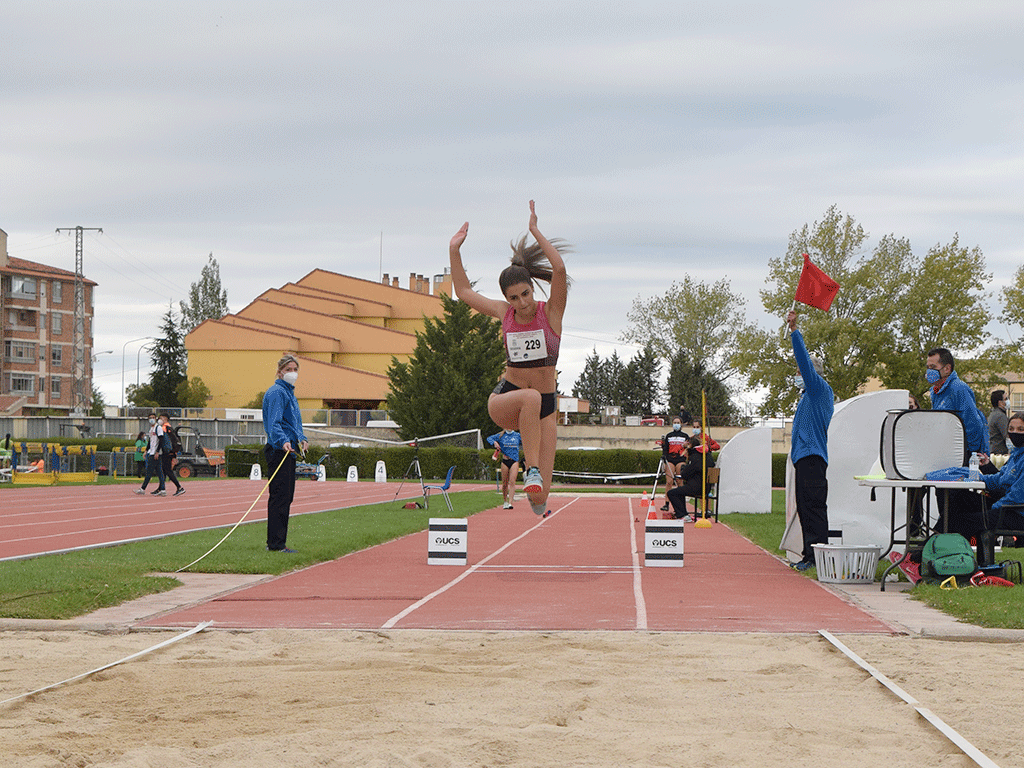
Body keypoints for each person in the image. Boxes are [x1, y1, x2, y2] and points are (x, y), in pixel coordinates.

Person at [449, 200, 570, 517]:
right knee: (529, 397)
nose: (522, 303)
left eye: (525, 294)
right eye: (514, 298)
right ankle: (531, 470)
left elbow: (559, 270)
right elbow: (463, 291)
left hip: (545, 406)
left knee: (540, 502)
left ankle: (536, 487)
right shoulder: (505, 314)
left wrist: (535, 230)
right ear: (507, 299)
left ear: (532, 289)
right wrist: (454, 250)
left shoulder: (551, 313)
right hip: (507, 398)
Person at [786, 310, 834, 571]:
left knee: (814, 507)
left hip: (813, 458)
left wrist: (795, 332)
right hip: (804, 459)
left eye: (799, 371)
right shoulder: (807, 396)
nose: (797, 374)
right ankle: (808, 555)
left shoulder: (818, 390)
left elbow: (804, 361)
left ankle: (818, 557)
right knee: (805, 508)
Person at [926, 347, 989, 541]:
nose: (929, 371)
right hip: (944, 455)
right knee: (942, 498)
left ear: (946, 368)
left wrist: (969, 455)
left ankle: (949, 540)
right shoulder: (935, 392)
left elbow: (973, 424)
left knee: (954, 503)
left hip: (961, 456)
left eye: (933, 367)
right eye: (927, 367)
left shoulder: (958, 389)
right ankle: (943, 541)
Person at [262, 354, 308, 553]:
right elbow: (274, 423)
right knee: (280, 497)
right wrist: (283, 441)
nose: (292, 373)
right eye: (288, 369)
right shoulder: (277, 393)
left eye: (295, 369)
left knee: (286, 497)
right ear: (280, 372)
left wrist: (302, 438)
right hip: (279, 450)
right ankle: (276, 544)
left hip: (289, 450)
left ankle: (277, 541)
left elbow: (294, 422)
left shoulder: (290, 394)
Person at [666, 436, 717, 520]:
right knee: (680, 491)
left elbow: (686, 474)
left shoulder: (694, 456)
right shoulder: (708, 455)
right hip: (707, 487)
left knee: (672, 493)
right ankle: (684, 514)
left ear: (690, 445)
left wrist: (683, 468)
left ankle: (682, 515)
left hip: (696, 487)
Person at [487, 428, 523, 509]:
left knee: (512, 481)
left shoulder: (517, 435)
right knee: (504, 483)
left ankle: (510, 502)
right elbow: (489, 438)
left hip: (514, 461)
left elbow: (527, 440)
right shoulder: (501, 435)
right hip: (505, 461)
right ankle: (505, 501)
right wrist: (495, 442)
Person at [659, 417, 690, 512]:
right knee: (669, 481)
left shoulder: (685, 436)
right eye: (674, 422)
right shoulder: (669, 436)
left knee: (680, 482)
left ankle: (681, 505)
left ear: (681, 424)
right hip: (670, 459)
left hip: (680, 459)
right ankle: (666, 503)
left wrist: (685, 456)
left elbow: (688, 448)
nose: (676, 424)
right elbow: (665, 449)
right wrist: (665, 458)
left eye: (678, 422)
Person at [134, 412, 166, 496]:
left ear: (156, 418)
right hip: (151, 452)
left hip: (155, 453)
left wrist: (157, 452)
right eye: (150, 418)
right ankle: (163, 490)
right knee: (159, 472)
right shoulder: (151, 429)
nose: (151, 419)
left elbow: (161, 440)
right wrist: (146, 451)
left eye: (153, 417)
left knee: (149, 471)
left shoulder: (158, 428)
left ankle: (142, 489)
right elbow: (150, 442)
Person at [158, 414, 185, 497]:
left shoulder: (165, 428)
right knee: (164, 470)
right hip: (170, 451)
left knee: (167, 470)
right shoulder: (169, 427)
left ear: (165, 419)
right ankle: (161, 488)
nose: (159, 420)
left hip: (167, 451)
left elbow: (163, 440)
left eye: (161, 418)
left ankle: (179, 487)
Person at [989, 389, 1010, 456]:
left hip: (993, 451)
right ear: (1000, 402)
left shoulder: (993, 414)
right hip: (1000, 454)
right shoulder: (1000, 416)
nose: (1008, 401)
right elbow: (1008, 436)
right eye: (1005, 399)